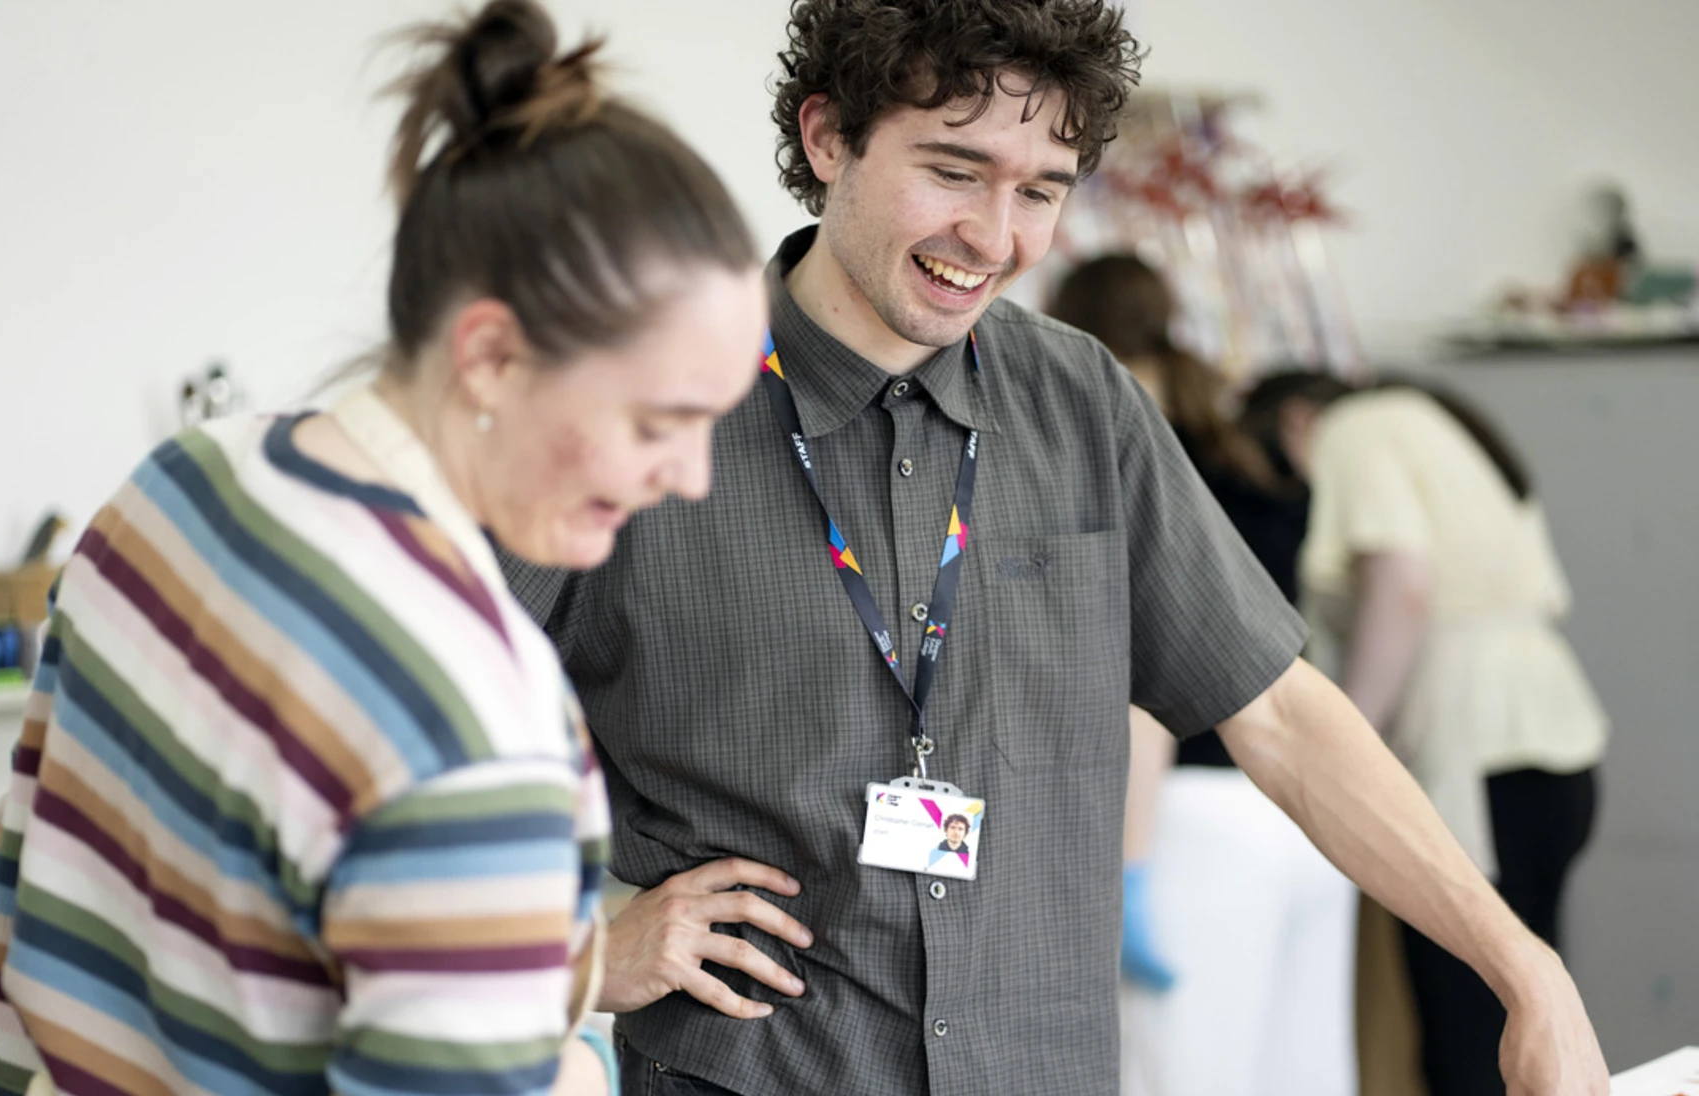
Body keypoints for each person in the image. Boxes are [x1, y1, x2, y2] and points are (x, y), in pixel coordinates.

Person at [502, 2, 1609, 1094]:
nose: (994, 238)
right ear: (825, 134)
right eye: (952, 170)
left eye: (1038, 190)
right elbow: (399, 728)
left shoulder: (1081, 401)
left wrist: (1524, 968)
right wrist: (586, 944)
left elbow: (1276, 711)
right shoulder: (639, 397)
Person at [0, 4, 765, 1096]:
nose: (690, 477)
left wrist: (536, 963)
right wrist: (569, 1066)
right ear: (490, 357)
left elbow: (27, 900)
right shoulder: (472, 719)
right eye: (656, 422)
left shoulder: (180, 482)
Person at [1048, 254, 1358, 1096]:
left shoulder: (1113, 460)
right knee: (1305, 1072)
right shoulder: (1256, 465)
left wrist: (1129, 869)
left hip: (1191, 820)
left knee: (1183, 1075)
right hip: (1309, 816)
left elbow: (1146, 685)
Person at [1253, 371, 1610, 1096]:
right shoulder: (1438, 423)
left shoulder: (1354, 429)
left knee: (1468, 1038)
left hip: (1472, 755)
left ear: (1296, 422)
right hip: (1558, 741)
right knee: (1535, 1015)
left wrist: (1340, 740)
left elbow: (1402, 585)